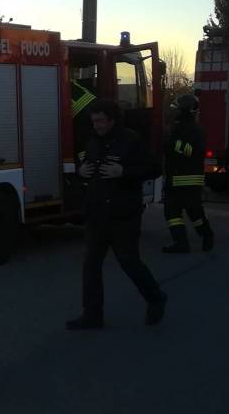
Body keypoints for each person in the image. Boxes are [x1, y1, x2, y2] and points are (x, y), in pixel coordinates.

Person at [67, 100, 167, 330]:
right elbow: (86, 166)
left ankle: (156, 298)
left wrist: (124, 172)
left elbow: (154, 169)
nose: (97, 125)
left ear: (113, 120)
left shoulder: (131, 140)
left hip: (124, 214)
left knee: (128, 261)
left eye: (101, 121)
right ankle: (92, 315)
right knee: (91, 264)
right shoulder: (92, 141)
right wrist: (81, 171)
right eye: (94, 121)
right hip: (97, 213)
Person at [162, 93, 214, 253]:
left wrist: (171, 143)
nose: (174, 112)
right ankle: (182, 243)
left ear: (185, 111)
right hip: (176, 178)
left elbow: (191, 151)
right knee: (172, 212)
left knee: (194, 213)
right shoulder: (179, 127)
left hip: (187, 179)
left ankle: (206, 235)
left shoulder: (195, 130)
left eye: (177, 109)